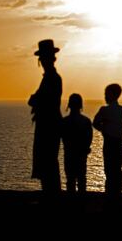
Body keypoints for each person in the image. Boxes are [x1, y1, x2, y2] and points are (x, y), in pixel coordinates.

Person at [28, 39, 63, 194]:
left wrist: (36, 99)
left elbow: (37, 99)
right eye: (41, 58)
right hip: (49, 123)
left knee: (47, 162)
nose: (42, 61)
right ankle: (50, 197)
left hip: (48, 125)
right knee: (47, 162)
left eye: (43, 58)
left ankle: (52, 198)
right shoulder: (51, 78)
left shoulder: (52, 78)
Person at [93, 84, 122, 201]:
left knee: (109, 171)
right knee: (117, 170)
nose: (105, 96)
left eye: (106, 94)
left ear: (112, 94)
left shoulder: (104, 110)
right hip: (119, 144)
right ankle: (117, 195)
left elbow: (95, 122)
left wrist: (104, 129)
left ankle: (110, 195)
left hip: (109, 143)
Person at [61, 93, 93, 194]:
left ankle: (71, 204)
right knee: (81, 179)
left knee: (70, 180)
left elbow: (62, 136)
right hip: (81, 154)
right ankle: (81, 203)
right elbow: (89, 138)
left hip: (69, 154)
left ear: (69, 105)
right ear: (81, 105)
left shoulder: (64, 121)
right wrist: (86, 148)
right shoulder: (86, 121)